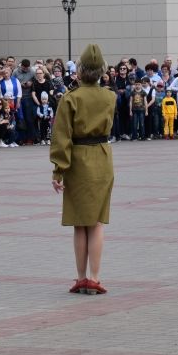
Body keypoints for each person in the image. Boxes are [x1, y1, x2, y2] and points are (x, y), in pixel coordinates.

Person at [50, 43, 115, 296]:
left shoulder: (70, 98)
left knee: (80, 223)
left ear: (79, 71)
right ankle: (95, 278)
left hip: (77, 160)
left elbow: (62, 137)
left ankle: (80, 277)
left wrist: (58, 171)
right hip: (102, 157)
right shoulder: (110, 96)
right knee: (97, 222)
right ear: (102, 71)